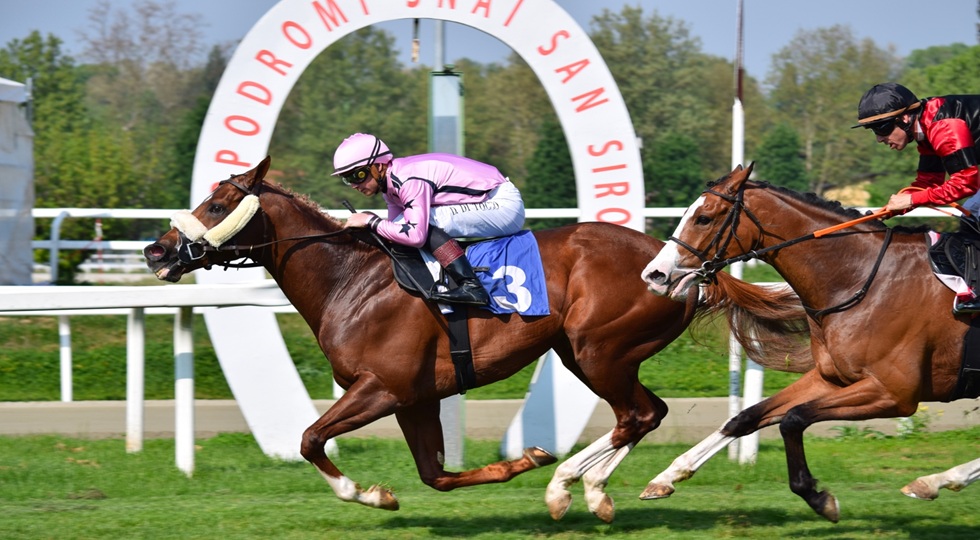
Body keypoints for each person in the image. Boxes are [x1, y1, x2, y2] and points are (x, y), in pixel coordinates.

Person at [332, 133, 525, 306]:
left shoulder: (406, 180)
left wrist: (371, 221)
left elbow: (415, 235)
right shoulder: (390, 188)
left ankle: (472, 286)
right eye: (347, 179)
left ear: (379, 166)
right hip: (489, 200)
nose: (354, 185)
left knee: (421, 223)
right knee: (399, 225)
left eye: (358, 175)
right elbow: (394, 231)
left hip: (503, 205)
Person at [854, 82, 980, 313]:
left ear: (904, 118)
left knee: (973, 215)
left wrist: (911, 200)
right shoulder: (925, 128)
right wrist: (890, 209)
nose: (879, 139)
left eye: (881, 129)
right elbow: (929, 182)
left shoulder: (942, 125)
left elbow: (966, 183)